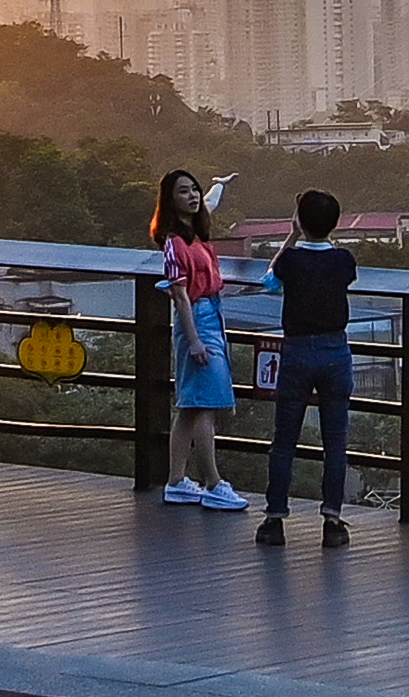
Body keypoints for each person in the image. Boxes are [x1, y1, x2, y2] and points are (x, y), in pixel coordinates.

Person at [258, 188, 357, 548]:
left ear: (299, 220)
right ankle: (332, 520)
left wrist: (292, 236)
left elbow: (269, 283)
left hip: (297, 351)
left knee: (284, 441)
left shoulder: (291, 261)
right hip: (335, 351)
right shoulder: (344, 260)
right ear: (336, 222)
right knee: (336, 442)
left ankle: (274, 520)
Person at [156, 169, 248, 512]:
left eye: (194, 190)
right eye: (184, 192)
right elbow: (179, 295)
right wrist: (194, 342)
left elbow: (209, 203)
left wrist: (218, 186)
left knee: (191, 406)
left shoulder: (195, 231)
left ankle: (176, 481)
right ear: (170, 200)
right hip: (197, 319)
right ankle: (212, 483)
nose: (193, 196)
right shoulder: (174, 242)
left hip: (211, 314)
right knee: (207, 404)